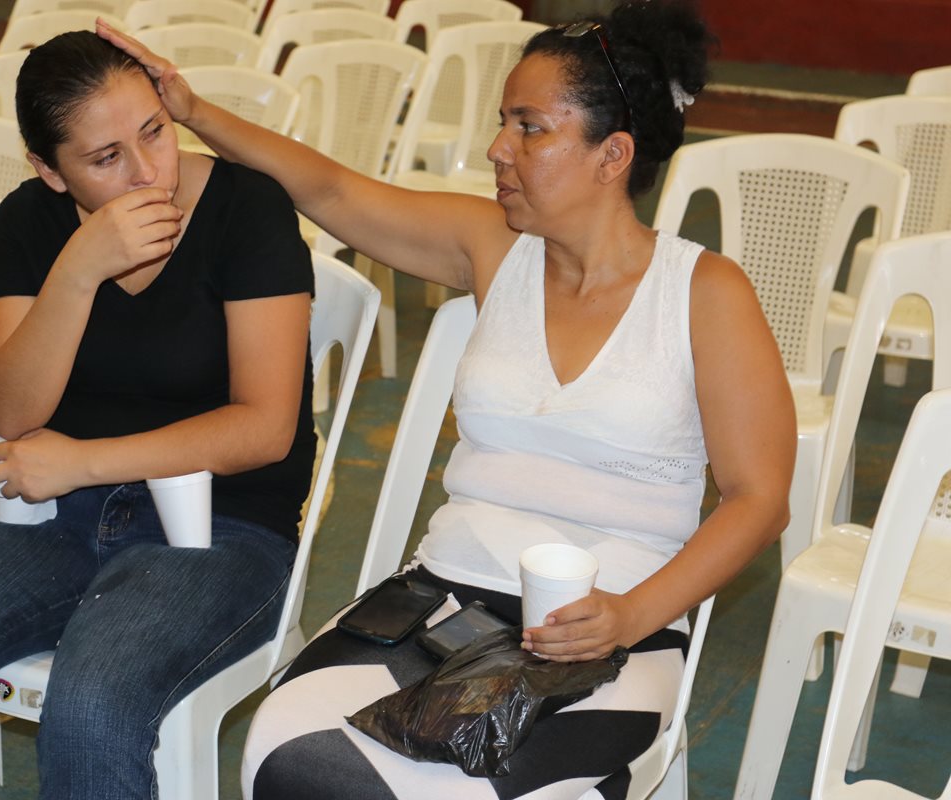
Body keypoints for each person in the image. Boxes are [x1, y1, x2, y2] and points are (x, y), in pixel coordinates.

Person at [103, 0, 795, 796]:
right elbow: (328, 190)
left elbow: (759, 498)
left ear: (613, 155)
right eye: (504, 121)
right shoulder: (495, 249)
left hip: (609, 627)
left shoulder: (703, 293)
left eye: (529, 128)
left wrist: (632, 615)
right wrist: (191, 112)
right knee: (290, 757)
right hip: (440, 598)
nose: (498, 148)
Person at [0, 30, 315, 799]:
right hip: (53, 508)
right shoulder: (30, 221)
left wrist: (87, 461)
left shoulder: (246, 208)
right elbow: (13, 409)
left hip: (221, 524)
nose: (147, 171)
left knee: (93, 704)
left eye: (154, 131)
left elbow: (264, 429)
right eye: (105, 159)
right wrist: (79, 270)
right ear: (49, 172)